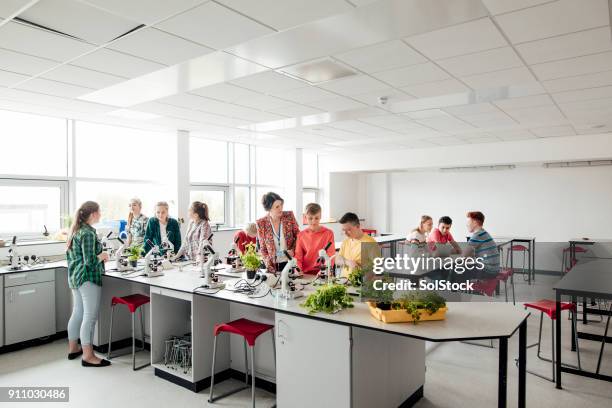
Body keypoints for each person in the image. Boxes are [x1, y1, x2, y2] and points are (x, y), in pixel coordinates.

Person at [66, 201, 111, 367]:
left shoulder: (76, 231)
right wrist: (103, 255)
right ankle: (88, 355)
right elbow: (90, 261)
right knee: (89, 317)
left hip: (75, 277)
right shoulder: (88, 233)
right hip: (88, 278)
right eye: (100, 212)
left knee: (78, 312)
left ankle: (73, 349)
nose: (101, 214)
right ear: (93, 214)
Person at [256, 192, 300, 273]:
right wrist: (269, 265)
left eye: (281, 205)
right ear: (269, 209)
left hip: (290, 262)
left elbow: (299, 236)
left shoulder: (289, 216)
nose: (281, 208)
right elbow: (263, 249)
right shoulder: (261, 223)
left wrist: (293, 250)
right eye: (277, 207)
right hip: (273, 265)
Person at [295, 203, 335, 275]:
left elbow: (331, 255)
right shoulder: (301, 235)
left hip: (324, 272)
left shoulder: (328, 233)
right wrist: (298, 269)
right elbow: (298, 257)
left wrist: (325, 270)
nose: (313, 222)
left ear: (320, 216)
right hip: (306, 273)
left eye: (316, 218)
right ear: (305, 217)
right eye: (310, 218)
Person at [336, 212, 379, 278]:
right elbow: (338, 260)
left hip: (361, 283)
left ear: (358, 226)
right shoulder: (346, 241)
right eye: (343, 230)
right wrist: (348, 262)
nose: (345, 233)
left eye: (348, 230)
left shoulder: (370, 243)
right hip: (344, 281)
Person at [464, 211, 500, 278]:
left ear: (474, 223)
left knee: (456, 269)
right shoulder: (483, 233)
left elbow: (464, 255)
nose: (466, 224)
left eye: (468, 222)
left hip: (488, 271)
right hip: (494, 270)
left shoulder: (478, 235)